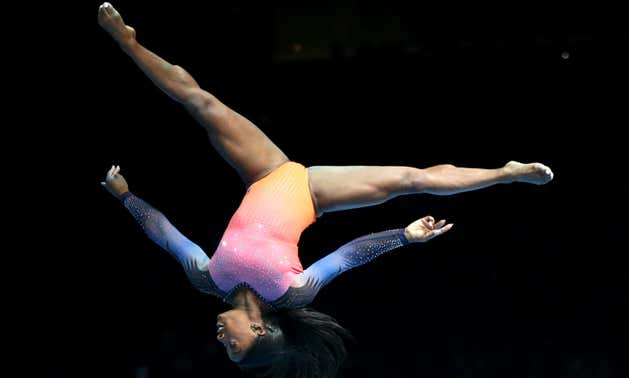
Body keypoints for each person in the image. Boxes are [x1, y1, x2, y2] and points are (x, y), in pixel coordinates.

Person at [97, 3, 554, 377]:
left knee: (201, 103)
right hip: (315, 194)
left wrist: (125, 196)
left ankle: (127, 41)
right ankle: (504, 173)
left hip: (266, 172)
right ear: (258, 332)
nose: (221, 340)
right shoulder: (291, 295)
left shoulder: (206, 279)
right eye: (233, 346)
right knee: (414, 180)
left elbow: (165, 234)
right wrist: (402, 237)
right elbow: (347, 256)